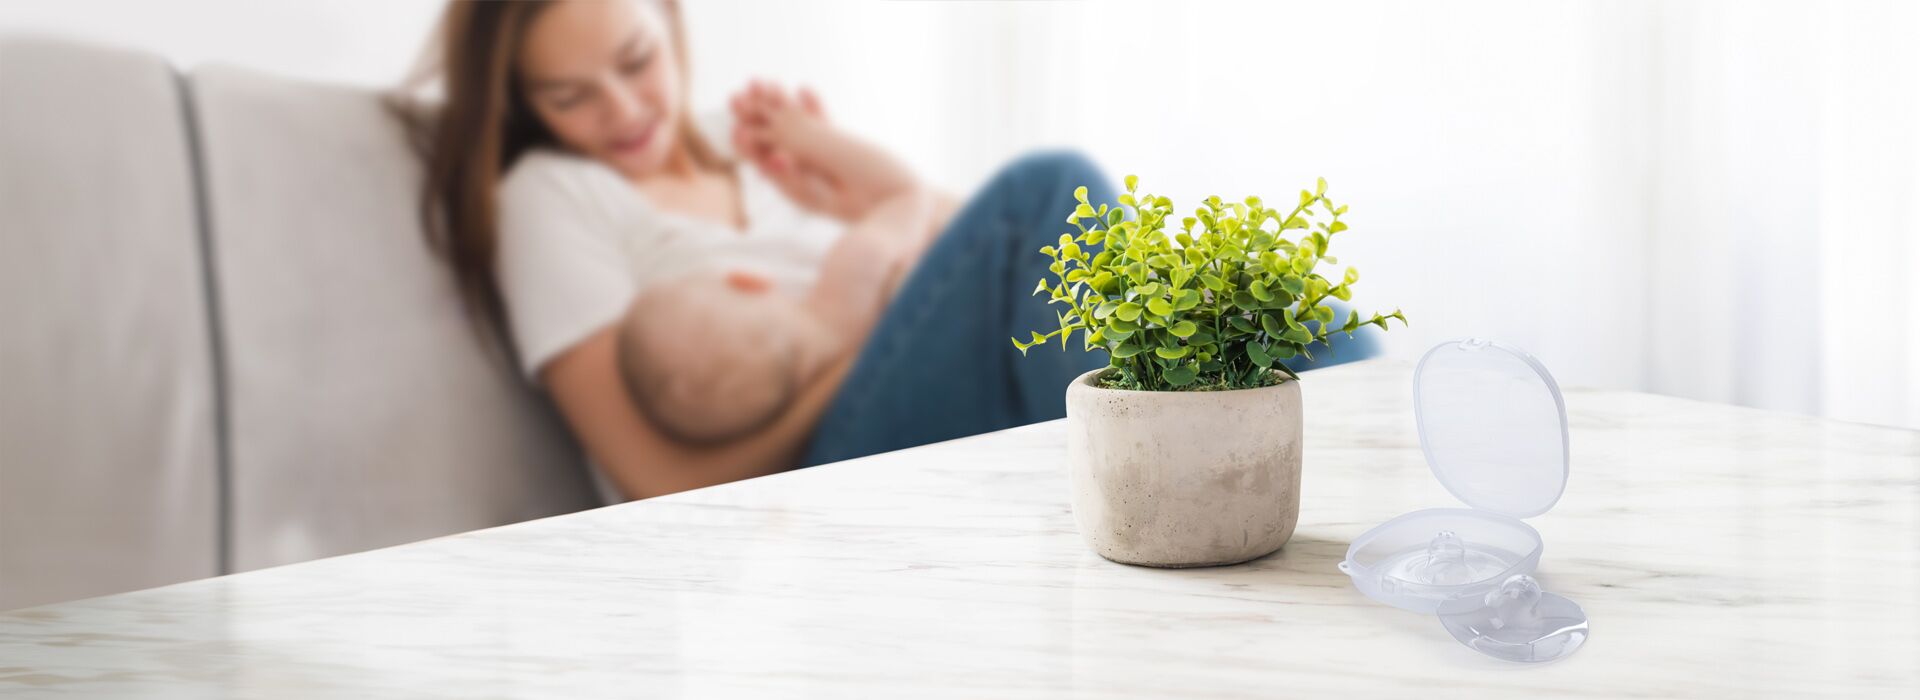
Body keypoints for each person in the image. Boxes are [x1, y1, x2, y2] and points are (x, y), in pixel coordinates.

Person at [397, 0, 1373, 502]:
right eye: (568, 96)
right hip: (802, 471)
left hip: (918, 387)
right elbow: (660, 481)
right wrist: (849, 329)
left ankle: (1373, 481)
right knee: (1050, 182)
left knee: (1285, 315)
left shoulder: (748, 140)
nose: (619, 111)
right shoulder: (547, 197)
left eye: (634, 60)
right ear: (523, 104)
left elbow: (1014, 270)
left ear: (671, 23)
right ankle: (1174, 492)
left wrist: (868, 187)